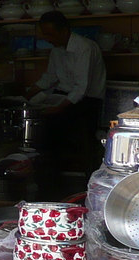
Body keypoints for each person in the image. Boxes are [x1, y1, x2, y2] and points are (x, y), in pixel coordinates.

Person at [27, 11, 106, 184]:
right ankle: (49, 179)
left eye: (50, 34)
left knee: (63, 129)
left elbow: (81, 88)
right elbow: (50, 76)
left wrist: (56, 109)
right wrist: (29, 94)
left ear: (64, 31)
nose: (47, 39)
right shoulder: (57, 49)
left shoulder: (84, 48)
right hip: (64, 96)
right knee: (44, 125)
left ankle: (84, 181)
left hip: (87, 100)